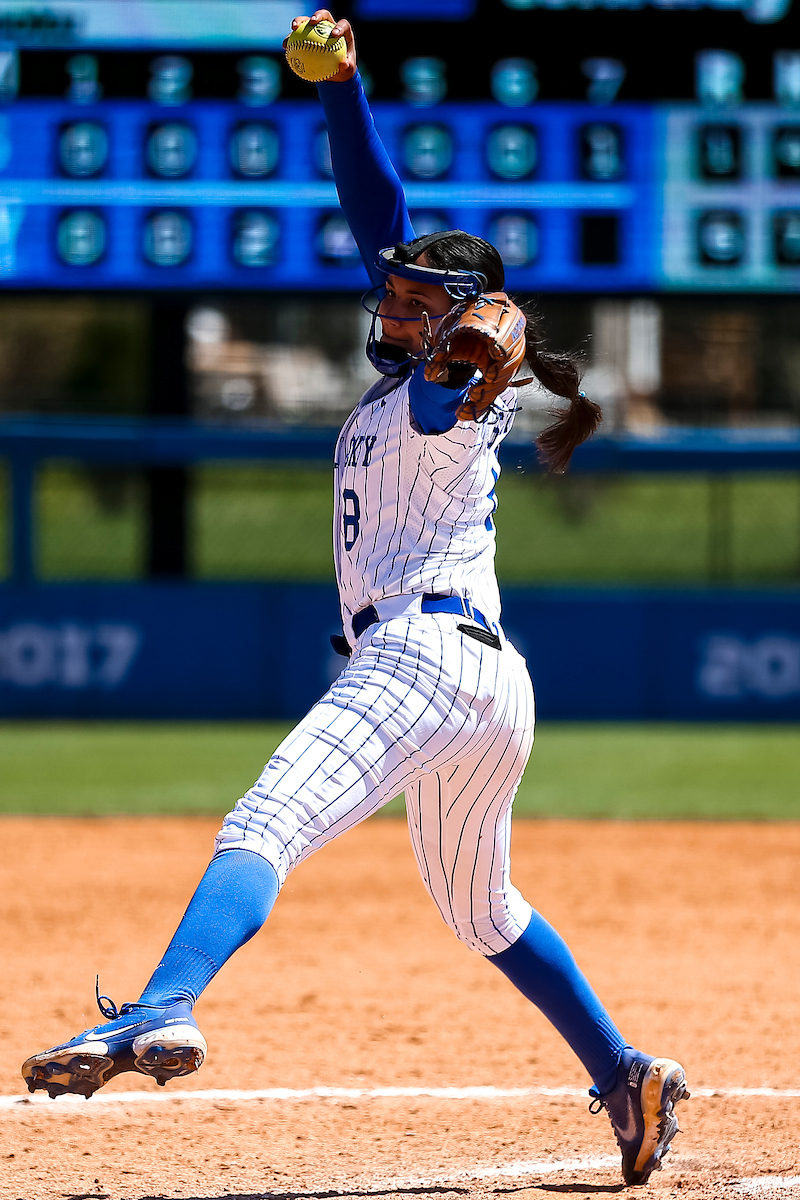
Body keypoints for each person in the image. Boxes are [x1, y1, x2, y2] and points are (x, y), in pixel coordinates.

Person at [22, 12, 688, 1187]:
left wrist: (465, 352)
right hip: (482, 682)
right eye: (394, 298)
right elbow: (380, 216)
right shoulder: (426, 369)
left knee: (262, 827)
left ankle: (160, 1005)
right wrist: (342, 89)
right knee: (481, 910)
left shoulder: (450, 395)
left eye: (417, 305)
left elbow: (443, 386)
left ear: (465, 320)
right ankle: (621, 1071)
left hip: (419, 662)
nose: (390, 309)